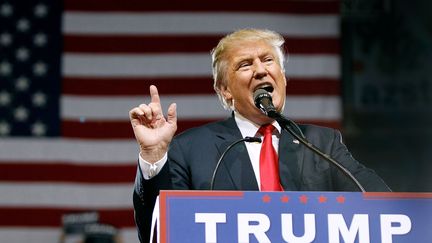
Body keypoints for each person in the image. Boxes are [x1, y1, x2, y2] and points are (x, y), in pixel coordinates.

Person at [129, 28, 390, 242]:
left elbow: (385, 208)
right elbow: (157, 230)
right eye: (245, 65)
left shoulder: (322, 143)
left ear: (283, 78)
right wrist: (153, 155)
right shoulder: (191, 148)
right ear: (225, 91)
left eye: (268, 60)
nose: (261, 70)